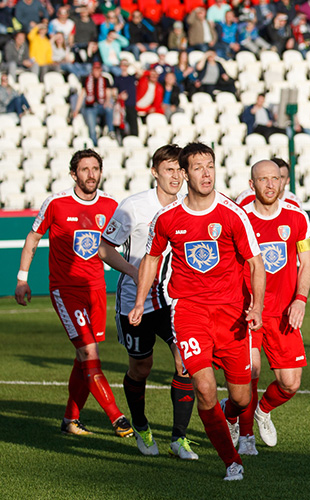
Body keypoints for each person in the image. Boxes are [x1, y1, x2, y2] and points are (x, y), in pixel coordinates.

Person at [129, 142, 265, 481]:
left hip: (232, 314)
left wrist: (257, 304)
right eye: (198, 167)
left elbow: (255, 262)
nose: (206, 173)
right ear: (186, 173)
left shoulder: (233, 214)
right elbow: (150, 259)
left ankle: (226, 413)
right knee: (204, 387)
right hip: (188, 311)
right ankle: (232, 462)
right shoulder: (168, 218)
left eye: (210, 166)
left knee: (241, 396)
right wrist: (138, 301)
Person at [15, 149, 133, 438]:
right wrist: (22, 278)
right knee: (89, 353)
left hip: (97, 291)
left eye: (95, 168)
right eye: (84, 169)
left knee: (84, 357)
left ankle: (71, 419)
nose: (91, 174)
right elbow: (33, 237)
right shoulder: (56, 203)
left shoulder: (111, 205)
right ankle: (117, 418)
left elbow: (118, 244)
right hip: (66, 290)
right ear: (73, 174)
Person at [96, 145, 198, 459]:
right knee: (141, 368)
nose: (176, 177)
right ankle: (141, 425)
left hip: (174, 300)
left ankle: (179, 439)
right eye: (169, 170)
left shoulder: (189, 205)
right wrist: (136, 271)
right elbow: (104, 248)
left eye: (180, 170)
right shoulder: (133, 207)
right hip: (134, 301)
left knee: (186, 365)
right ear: (154, 172)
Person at [230, 160, 310, 455]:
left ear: (282, 182)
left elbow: (306, 263)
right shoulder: (239, 219)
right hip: (249, 311)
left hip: (284, 312)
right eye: (263, 179)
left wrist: (300, 300)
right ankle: (246, 436)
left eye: (275, 178)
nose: (270, 184)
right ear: (252, 185)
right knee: (250, 372)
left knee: (290, 383)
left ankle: (262, 411)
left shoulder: (297, 218)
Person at [235, 157, 304, 208]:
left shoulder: (294, 203)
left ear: (288, 180)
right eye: (265, 178)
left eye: (276, 178)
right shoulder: (246, 198)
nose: (271, 183)